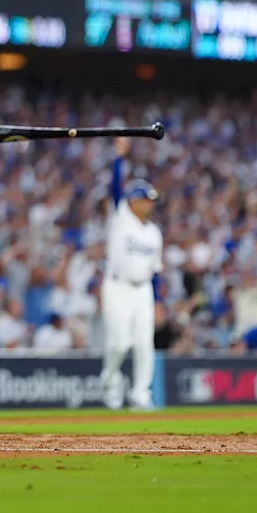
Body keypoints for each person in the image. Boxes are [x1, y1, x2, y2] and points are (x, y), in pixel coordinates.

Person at [99, 137, 163, 411]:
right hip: (117, 286)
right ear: (133, 200)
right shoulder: (121, 217)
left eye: (150, 200)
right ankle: (110, 381)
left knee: (143, 343)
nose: (149, 203)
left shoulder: (154, 232)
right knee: (120, 343)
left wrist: (157, 300)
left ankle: (140, 393)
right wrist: (118, 157)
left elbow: (156, 270)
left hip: (143, 289)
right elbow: (115, 188)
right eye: (144, 199)